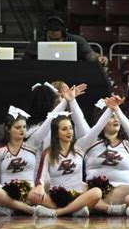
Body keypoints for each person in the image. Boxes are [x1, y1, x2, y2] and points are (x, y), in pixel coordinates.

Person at [33, 86, 110, 217]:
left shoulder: (79, 147)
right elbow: (39, 178)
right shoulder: (49, 152)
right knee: (31, 194)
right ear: (56, 133)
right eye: (64, 129)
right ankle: (74, 211)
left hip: (77, 196)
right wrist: (39, 186)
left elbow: (97, 129)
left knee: (96, 192)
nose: (69, 132)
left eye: (70, 128)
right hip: (56, 197)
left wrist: (110, 110)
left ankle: (58, 213)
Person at [0, 103, 64, 216]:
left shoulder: (31, 145)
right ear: (7, 129)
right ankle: (29, 210)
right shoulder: (0, 151)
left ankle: (11, 209)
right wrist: (7, 191)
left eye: (24, 127)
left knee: (52, 183)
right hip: (7, 194)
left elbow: (49, 120)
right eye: (17, 127)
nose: (22, 130)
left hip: (30, 193)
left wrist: (65, 100)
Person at [84, 98, 129, 216]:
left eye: (117, 116)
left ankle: (92, 207)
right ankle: (108, 208)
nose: (116, 119)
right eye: (111, 116)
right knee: (76, 186)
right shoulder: (91, 141)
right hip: (93, 192)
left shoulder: (128, 144)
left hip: (118, 193)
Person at [22, 16, 108, 65]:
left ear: (64, 34)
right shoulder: (36, 44)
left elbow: (89, 54)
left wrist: (98, 58)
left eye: (57, 39)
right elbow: (25, 63)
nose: (54, 43)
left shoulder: (77, 41)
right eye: (51, 39)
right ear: (46, 33)